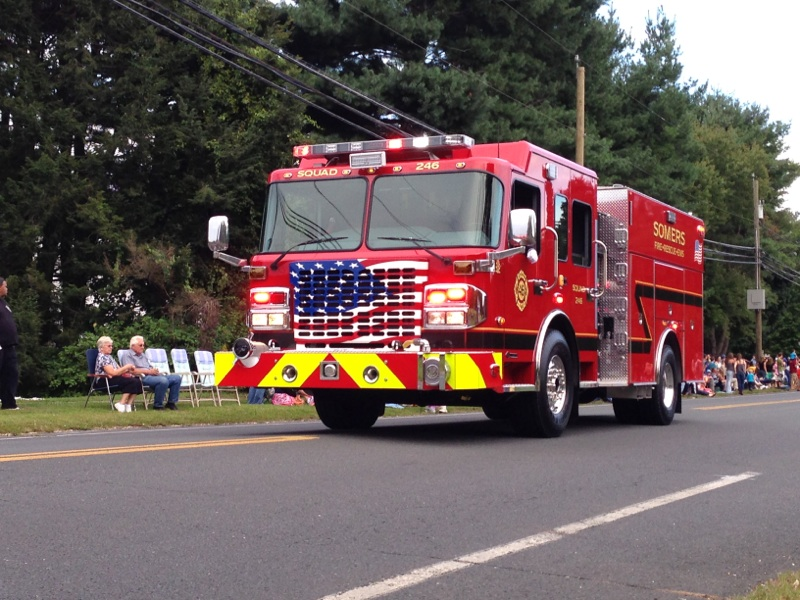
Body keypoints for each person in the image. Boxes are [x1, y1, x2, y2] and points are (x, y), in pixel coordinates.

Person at [121, 336, 182, 410]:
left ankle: (171, 403)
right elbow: (130, 371)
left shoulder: (143, 355)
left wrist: (153, 370)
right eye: (141, 345)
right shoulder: (127, 354)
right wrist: (149, 371)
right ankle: (158, 405)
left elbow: (149, 366)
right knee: (163, 381)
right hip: (141, 378)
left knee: (176, 378)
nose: (143, 347)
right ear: (133, 346)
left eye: (143, 345)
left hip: (152, 376)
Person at [95, 336, 143, 412]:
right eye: (109, 346)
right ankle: (121, 403)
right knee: (131, 381)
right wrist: (127, 366)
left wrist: (128, 370)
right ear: (101, 348)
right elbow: (112, 373)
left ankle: (128, 405)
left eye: (111, 346)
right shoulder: (102, 357)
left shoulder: (109, 357)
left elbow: (119, 369)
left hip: (113, 378)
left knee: (137, 380)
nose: (111, 348)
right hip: (104, 380)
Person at [0, 277, 20, 410]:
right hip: (0, 346)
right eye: (5, 286)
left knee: (11, 373)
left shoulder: (4, 304)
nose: (7, 288)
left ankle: (8, 403)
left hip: (9, 346)